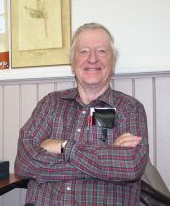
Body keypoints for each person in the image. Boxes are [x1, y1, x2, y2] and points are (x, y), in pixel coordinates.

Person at [14, 23, 149, 205]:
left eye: (101, 51)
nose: (92, 59)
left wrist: (63, 146)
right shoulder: (51, 103)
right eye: (83, 51)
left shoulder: (130, 108)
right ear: (72, 62)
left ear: (113, 62)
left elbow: (130, 167)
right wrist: (107, 158)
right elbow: (24, 164)